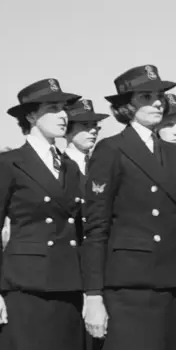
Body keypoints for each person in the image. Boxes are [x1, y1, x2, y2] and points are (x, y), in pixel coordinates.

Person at [82, 64, 176, 350]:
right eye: (147, 96)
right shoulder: (111, 150)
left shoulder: (173, 153)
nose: (158, 103)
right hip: (130, 289)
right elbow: (96, 227)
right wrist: (93, 296)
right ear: (127, 106)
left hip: (175, 284)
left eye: (161, 96)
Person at [0, 78, 86, 350]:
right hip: (26, 286)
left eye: (64, 108)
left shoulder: (71, 167)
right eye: (53, 108)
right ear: (31, 117)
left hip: (68, 284)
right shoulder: (8, 163)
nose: (63, 115)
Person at [63, 98, 109, 242]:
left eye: (95, 126)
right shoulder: (57, 165)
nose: (93, 131)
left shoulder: (101, 165)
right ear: (67, 129)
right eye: (85, 125)